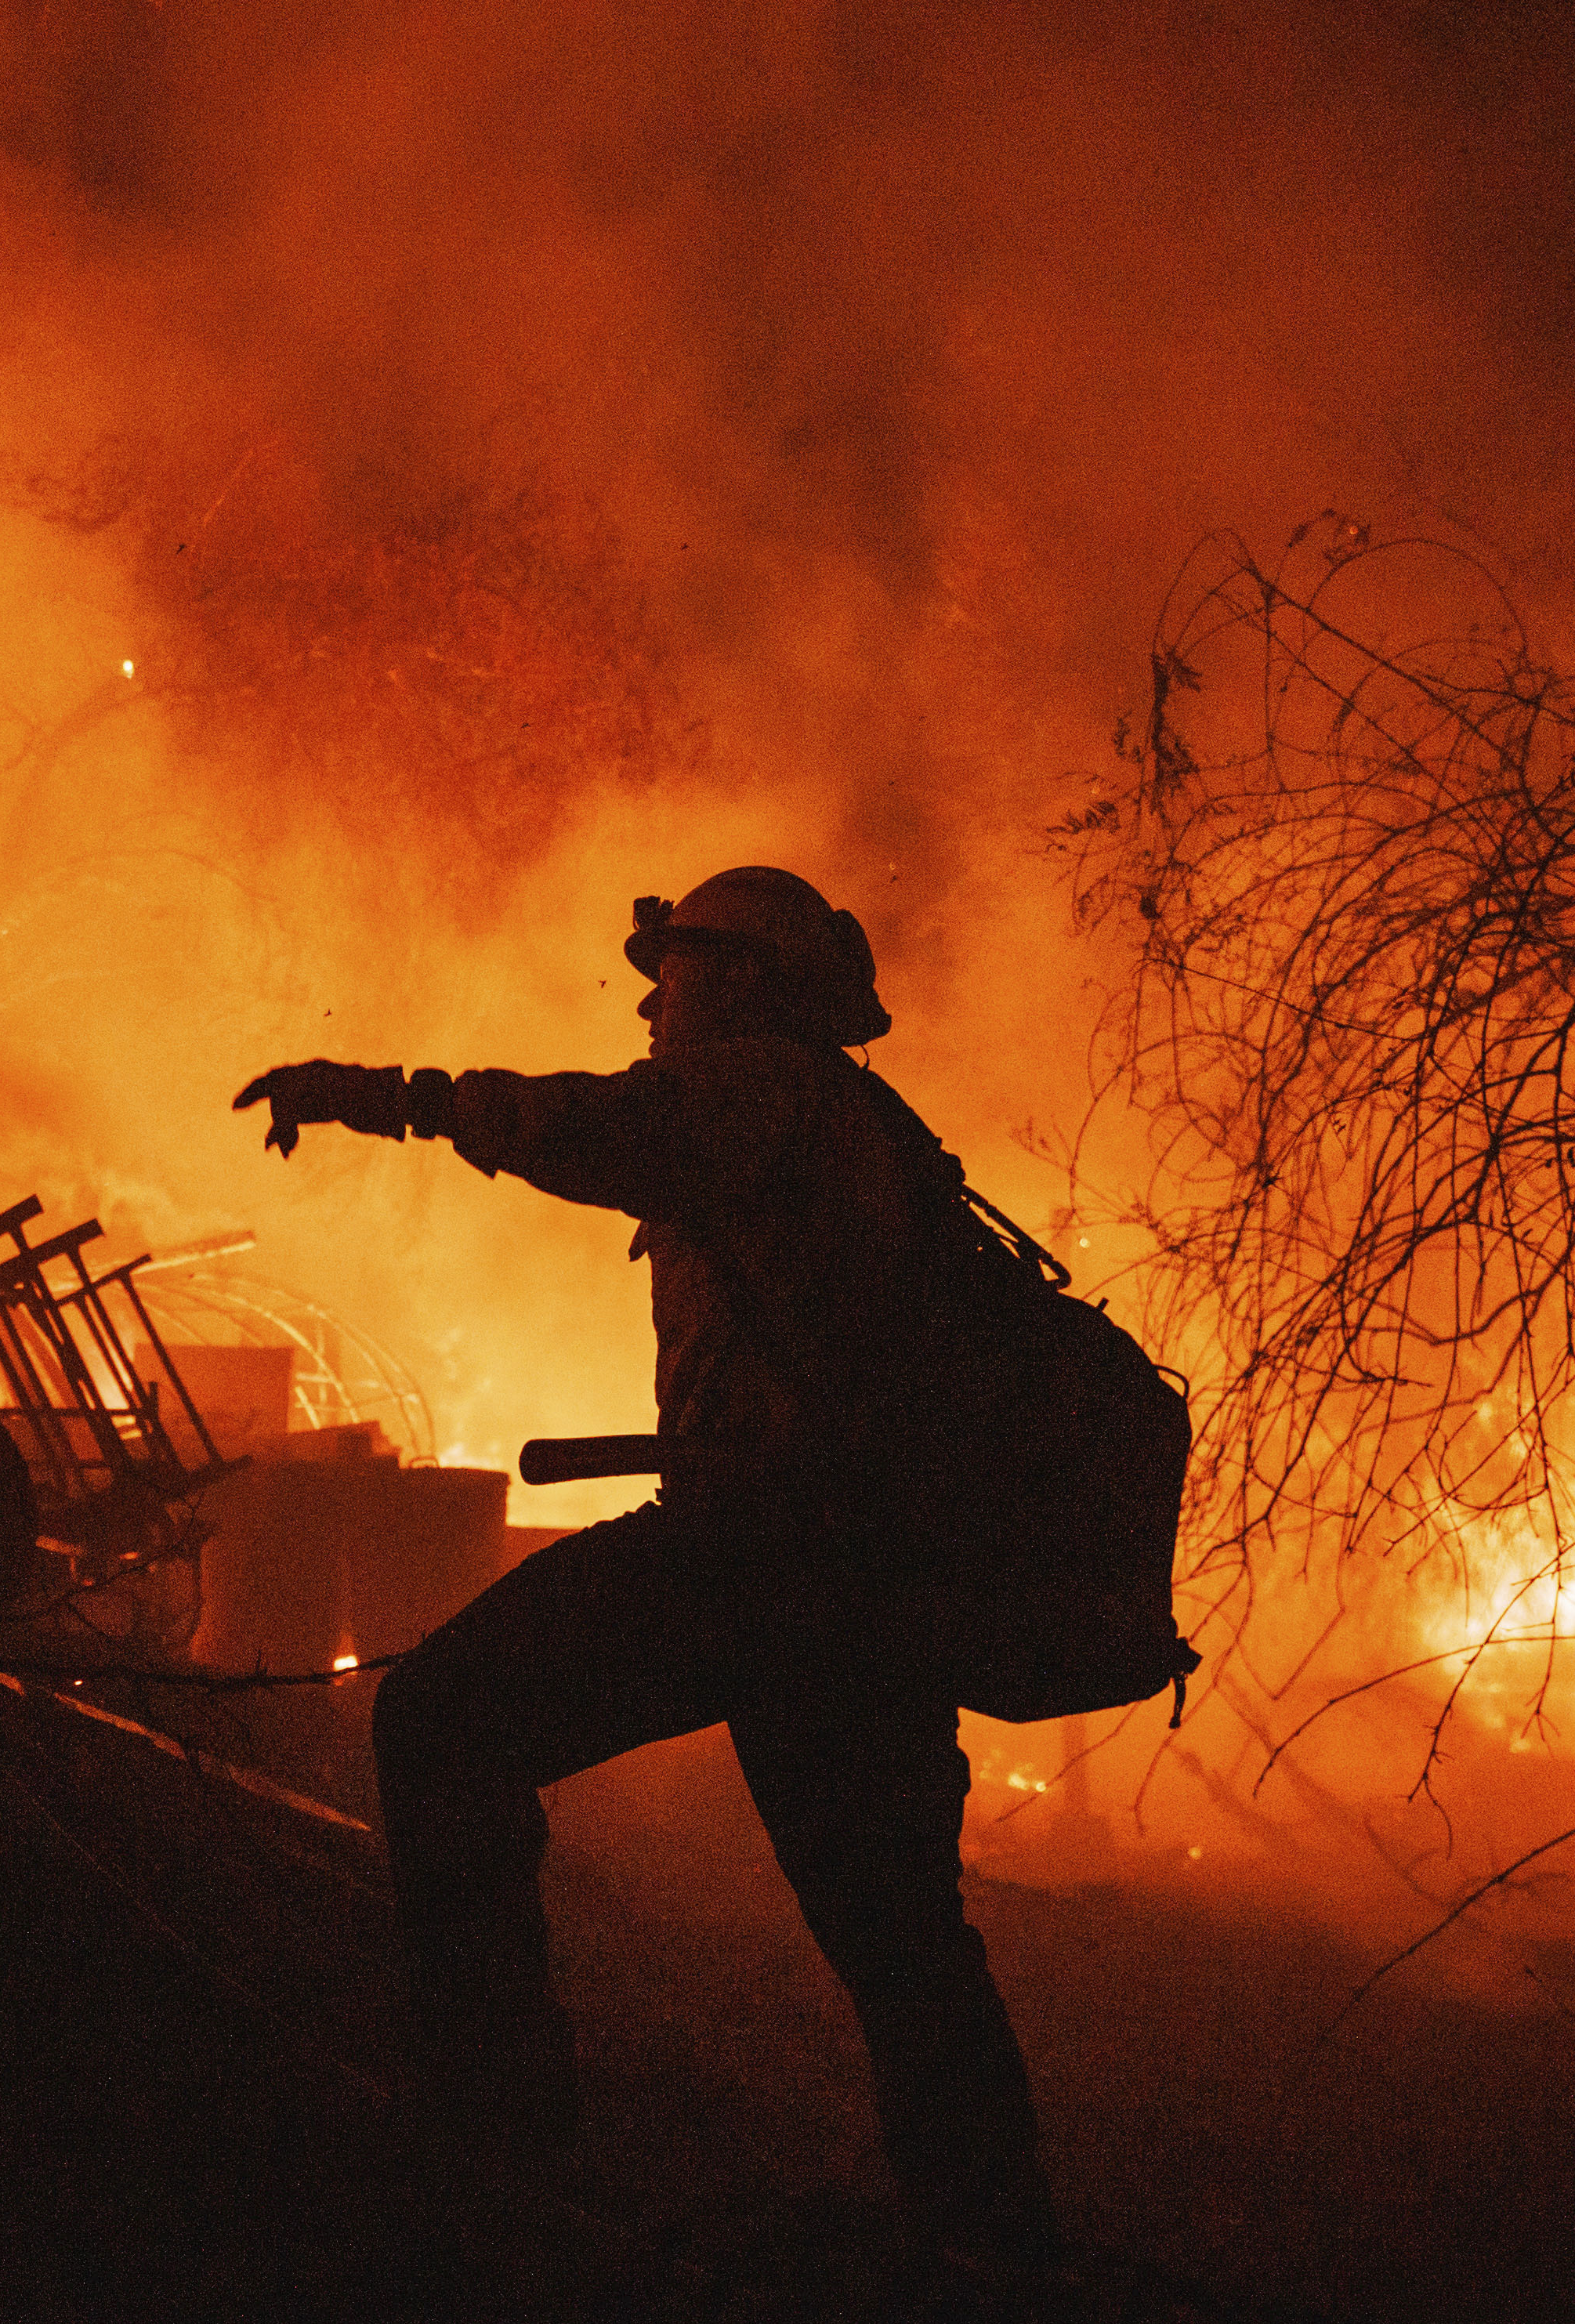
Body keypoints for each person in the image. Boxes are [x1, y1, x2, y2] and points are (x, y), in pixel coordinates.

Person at [234, 866, 1057, 2259]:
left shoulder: (757, 1090)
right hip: (864, 1580)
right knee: (898, 1930)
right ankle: (996, 2240)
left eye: (669, 971)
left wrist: (384, 1092)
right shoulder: (855, 1120)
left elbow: (588, 1128)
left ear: (735, 980)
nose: (646, 999)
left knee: (441, 1726)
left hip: (761, 1557)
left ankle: (493, 2141)